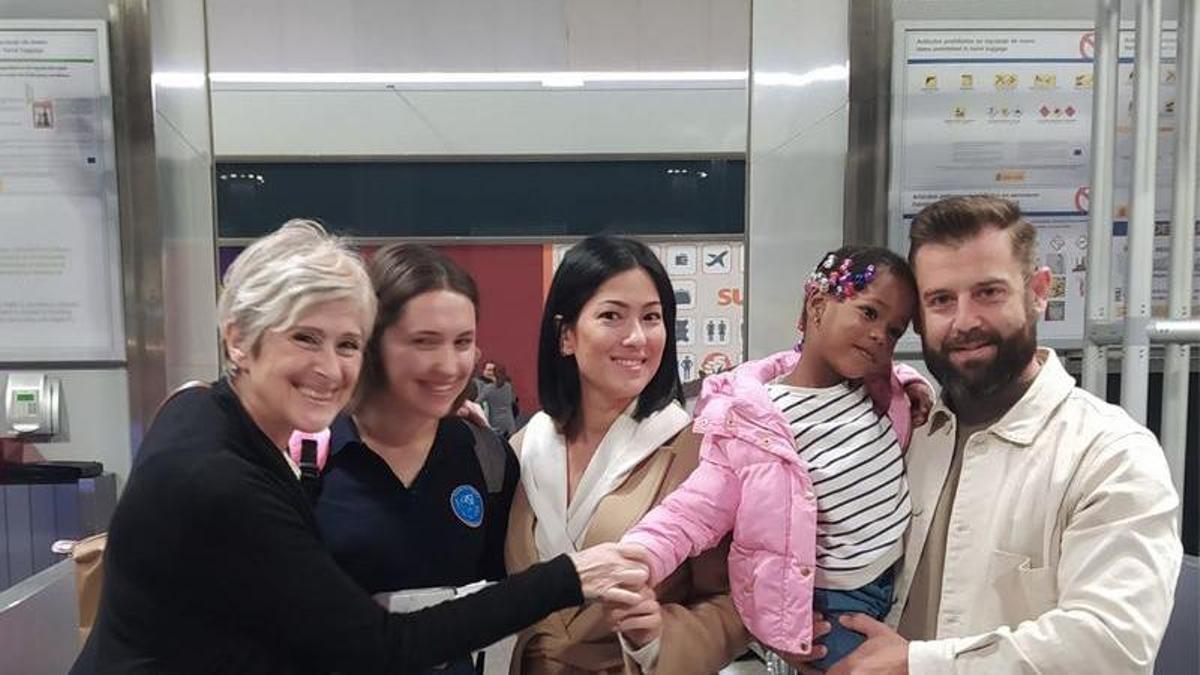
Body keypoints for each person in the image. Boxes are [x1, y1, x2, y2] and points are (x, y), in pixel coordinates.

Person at [71, 221, 648, 675]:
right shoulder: (233, 476)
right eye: (304, 338)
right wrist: (567, 577)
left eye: (346, 343)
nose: (328, 367)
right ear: (238, 339)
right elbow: (377, 648)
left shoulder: (204, 412)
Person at [828, 195, 1182, 674]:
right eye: (941, 300)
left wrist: (918, 664)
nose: (965, 321)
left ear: (1038, 292)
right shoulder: (905, 435)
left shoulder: (1109, 454)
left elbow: (1111, 646)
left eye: (988, 293)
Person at [621, 246, 932, 668]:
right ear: (818, 305)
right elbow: (698, 506)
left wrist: (915, 384)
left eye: (895, 330)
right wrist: (640, 554)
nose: (881, 336)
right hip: (828, 603)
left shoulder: (879, 392)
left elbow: (898, 379)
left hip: (898, 583)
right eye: (869, 313)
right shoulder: (752, 419)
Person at [505, 236, 749, 674]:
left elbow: (735, 601)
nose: (637, 338)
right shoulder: (525, 448)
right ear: (565, 335)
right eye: (612, 316)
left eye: (652, 318)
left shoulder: (699, 452)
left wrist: (659, 636)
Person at [311, 244, 518, 674]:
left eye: (463, 342)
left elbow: (498, 599)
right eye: (424, 342)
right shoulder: (310, 457)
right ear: (371, 342)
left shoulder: (486, 456)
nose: (447, 365)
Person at [478, 360, 519, 438]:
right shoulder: (508, 386)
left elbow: (477, 401)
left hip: (494, 424)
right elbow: (513, 401)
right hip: (509, 424)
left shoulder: (488, 388)